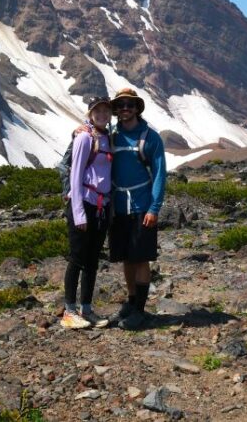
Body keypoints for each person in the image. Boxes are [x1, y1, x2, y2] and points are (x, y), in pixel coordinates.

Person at [106, 88, 167, 330]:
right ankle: (131, 302)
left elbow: (160, 174)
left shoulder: (150, 137)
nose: (125, 109)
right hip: (118, 208)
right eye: (120, 105)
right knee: (126, 259)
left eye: (130, 105)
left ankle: (140, 310)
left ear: (137, 108)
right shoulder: (111, 135)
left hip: (142, 206)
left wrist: (154, 208)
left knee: (140, 258)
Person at [61, 97, 114, 330]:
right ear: (90, 113)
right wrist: (79, 213)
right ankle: (69, 311)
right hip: (84, 203)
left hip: (101, 207)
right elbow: (75, 175)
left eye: (106, 110)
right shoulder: (85, 137)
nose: (102, 114)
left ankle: (87, 308)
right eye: (98, 111)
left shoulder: (107, 138)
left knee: (92, 260)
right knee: (77, 258)